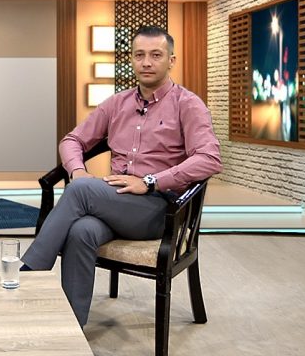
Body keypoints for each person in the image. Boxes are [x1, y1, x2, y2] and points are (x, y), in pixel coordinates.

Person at [20, 25, 222, 328]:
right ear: (131, 59)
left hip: (161, 209)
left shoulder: (188, 104)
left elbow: (209, 159)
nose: (146, 62)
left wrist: (150, 182)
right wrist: (77, 170)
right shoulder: (117, 103)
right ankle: (71, 328)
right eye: (139, 55)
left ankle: (27, 277)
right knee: (81, 231)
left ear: (171, 60)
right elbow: (72, 140)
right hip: (115, 204)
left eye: (156, 55)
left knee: (80, 191)